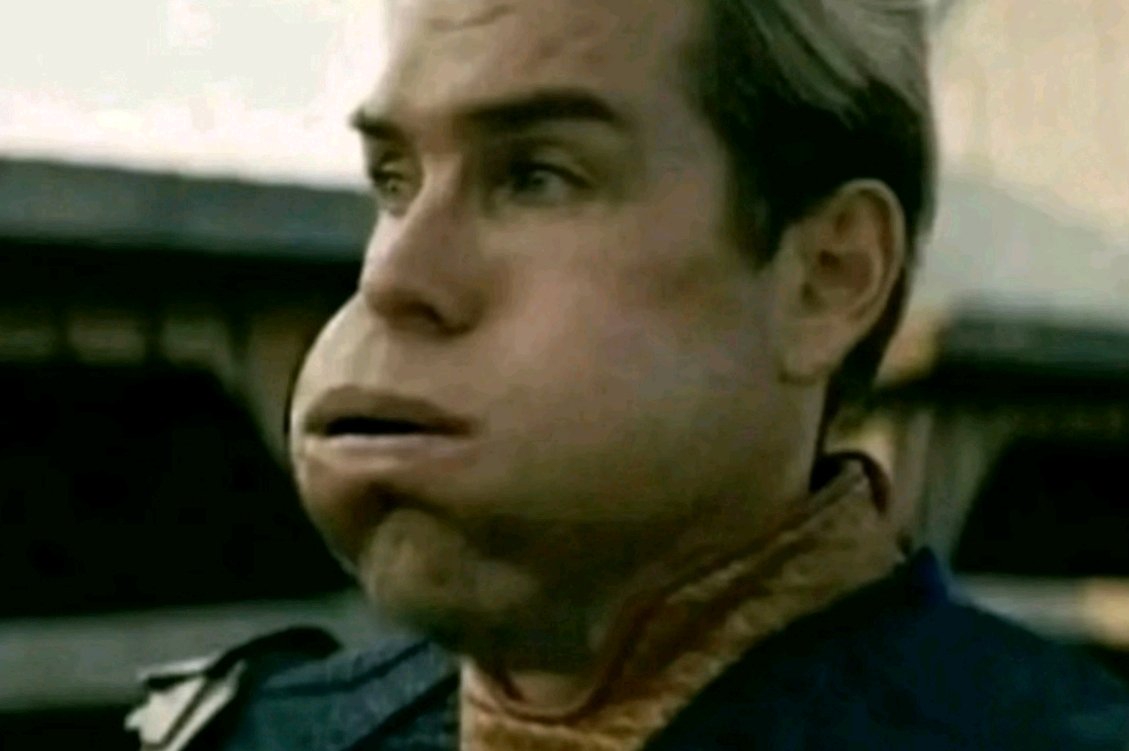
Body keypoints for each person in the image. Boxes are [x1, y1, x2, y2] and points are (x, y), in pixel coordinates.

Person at [128, 0, 1129, 748]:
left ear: (826, 277)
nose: (391, 276)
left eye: (537, 175)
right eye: (395, 180)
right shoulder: (259, 735)